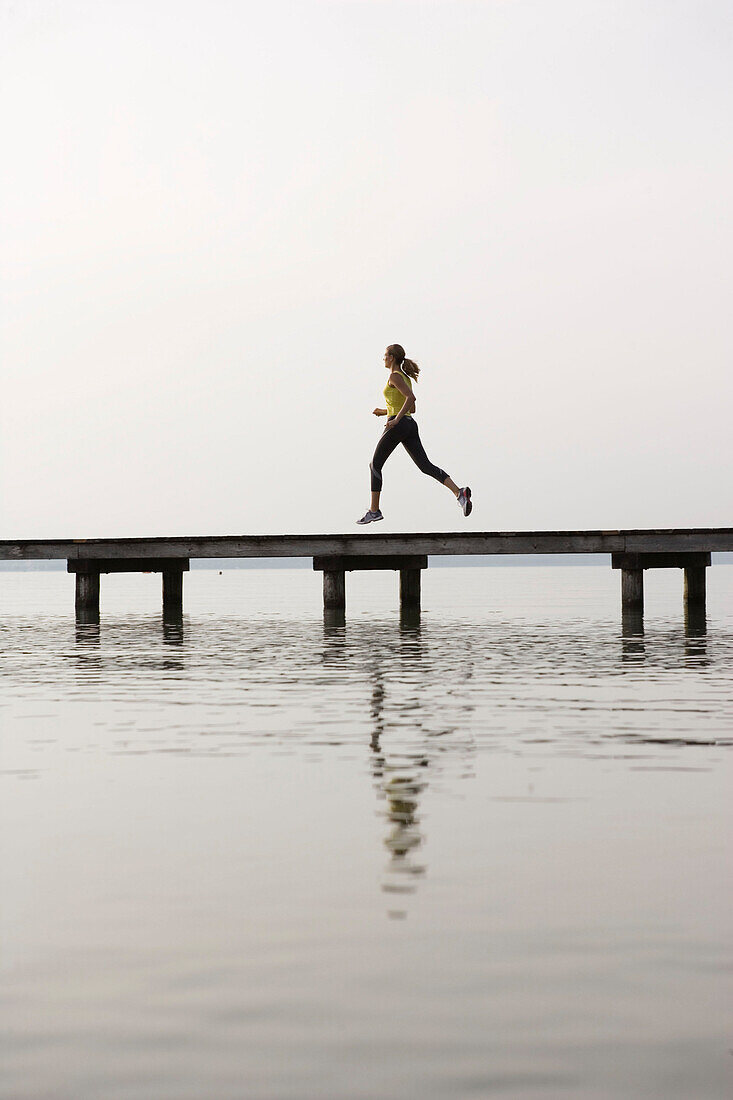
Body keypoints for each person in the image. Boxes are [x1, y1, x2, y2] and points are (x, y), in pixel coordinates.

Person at [357, 344, 472, 524]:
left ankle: (374, 511)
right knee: (425, 466)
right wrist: (385, 412)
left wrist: (395, 419)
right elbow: (412, 408)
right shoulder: (405, 377)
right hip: (409, 424)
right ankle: (459, 493)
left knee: (375, 465)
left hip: (399, 424)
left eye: (385, 355)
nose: (383, 358)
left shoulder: (394, 376)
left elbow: (411, 399)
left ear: (392, 358)